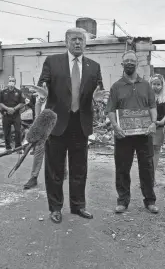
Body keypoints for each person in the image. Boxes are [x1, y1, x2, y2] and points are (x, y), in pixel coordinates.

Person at [37, 27, 107, 224]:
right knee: (55, 169)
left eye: (81, 40)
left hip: (80, 124)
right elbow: (44, 82)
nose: (78, 43)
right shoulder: (52, 61)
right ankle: (56, 207)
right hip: (57, 124)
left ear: (85, 43)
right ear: (66, 41)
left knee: (79, 168)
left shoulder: (94, 66)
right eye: (74, 39)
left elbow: (98, 90)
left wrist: (97, 98)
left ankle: (78, 206)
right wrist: (42, 89)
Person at [106, 50, 159, 214]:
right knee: (122, 168)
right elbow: (110, 110)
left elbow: (152, 107)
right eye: (126, 61)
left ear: (136, 64)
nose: (129, 63)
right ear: (122, 65)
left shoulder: (146, 85)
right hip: (123, 135)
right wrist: (115, 126)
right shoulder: (116, 87)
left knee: (147, 168)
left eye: (132, 60)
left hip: (144, 135)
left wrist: (153, 123)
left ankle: (150, 201)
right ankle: (122, 201)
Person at [23, 92, 68, 190]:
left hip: (58, 126)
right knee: (39, 151)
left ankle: (63, 172)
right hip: (43, 131)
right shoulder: (39, 101)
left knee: (60, 149)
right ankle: (33, 177)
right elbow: (37, 118)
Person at [149, 74, 165, 184]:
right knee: (147, 151)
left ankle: (152, 175)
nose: (156, 86)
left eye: (158, 84)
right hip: (148, 127)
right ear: (150, 84)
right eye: (154, 84)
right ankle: (146, 176)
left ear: (162, 85)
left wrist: (162, 121)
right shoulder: (147, 96)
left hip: (160, 127)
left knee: (156, 150)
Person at [0, 76, 25, 152]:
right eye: (10, 81)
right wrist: (7, 109)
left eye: (13, 81)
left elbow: (22, 103)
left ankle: (18, 148)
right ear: (8, 82)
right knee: (6, 132)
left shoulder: (19, 92)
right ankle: (8, 148)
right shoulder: (3, 92)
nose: (11, 82)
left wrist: (14, 109)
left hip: (16, 114)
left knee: (18, 131)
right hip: (6, 114)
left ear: (15, 83)